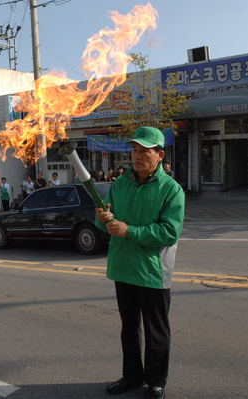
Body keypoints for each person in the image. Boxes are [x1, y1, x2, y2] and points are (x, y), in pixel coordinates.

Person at [94, 126, 185, 399]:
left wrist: (129, 230)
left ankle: (156, 381)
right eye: (134, 149)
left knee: (156, 331)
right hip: (123, 268)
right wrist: (102, 219)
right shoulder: (120, 184)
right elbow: (106, 223)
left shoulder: (171, 189)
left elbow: (169, 232)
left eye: (144, 150)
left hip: (153, 272)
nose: (137, 155)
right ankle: (132, 377)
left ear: (159, 154)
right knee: (128, 329)